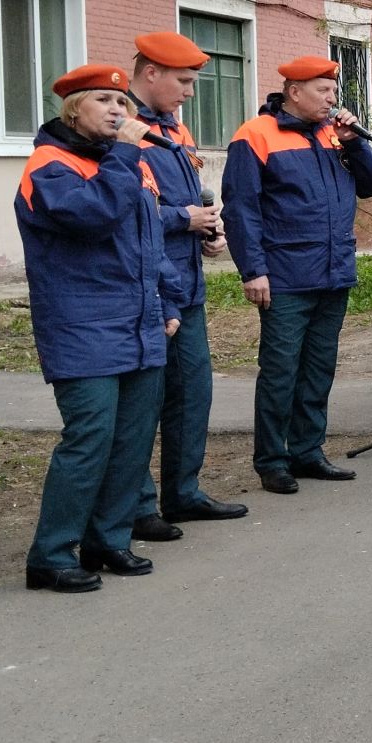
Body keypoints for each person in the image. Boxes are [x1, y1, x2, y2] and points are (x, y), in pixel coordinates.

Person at [16, 64, 182, 592]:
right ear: (74, 109)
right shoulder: (51, 166)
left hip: (141, 324)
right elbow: (94, 218)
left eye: (122, 104)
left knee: (132, 441)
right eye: (105, 102)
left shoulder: (123, 163)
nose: (118, 112)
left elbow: (149, 238)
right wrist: (127, 158)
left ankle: (107, 540)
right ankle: (51, 553)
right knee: (89, 438)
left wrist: (170, 301)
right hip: (82, 325)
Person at [223, 56, 372, 495]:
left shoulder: (337, 135)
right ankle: (272, 461)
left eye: (334, 92)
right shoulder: (255, 136)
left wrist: (355, 143)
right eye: (323, 91)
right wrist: (253, 270)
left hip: (333, 273)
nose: (332, 99)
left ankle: (308, 451)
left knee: (318, 368)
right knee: (280, 371)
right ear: (294, 92)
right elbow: (241, 209)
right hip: (285, 275)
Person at [128, 31, 248, 540]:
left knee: (191, 392)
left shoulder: (173, 129)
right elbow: (126, 210)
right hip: (148, 288)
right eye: (184, 81)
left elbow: (186, 196)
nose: (191, 92)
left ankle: (183, 492)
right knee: (144, 402)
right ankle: (135, 507)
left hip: (186, 283)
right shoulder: (125, 131)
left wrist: (208, 231)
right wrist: (184, 218)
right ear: (150, 73)